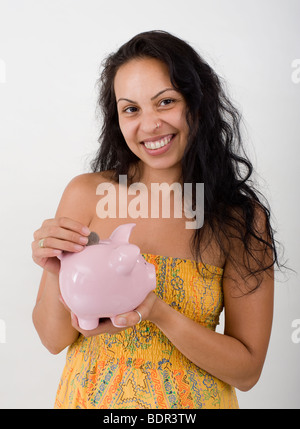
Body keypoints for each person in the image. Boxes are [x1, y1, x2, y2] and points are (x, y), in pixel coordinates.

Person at [32, 30, 278, 409]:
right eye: (131, 109)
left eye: (165, 102)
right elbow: (52, 340)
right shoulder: (85, 194)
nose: (149, 125)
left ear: (197, 104)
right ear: (117, 118)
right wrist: (55, 268)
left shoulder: (237, 220)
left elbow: (247, 372)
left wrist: (157, 312)